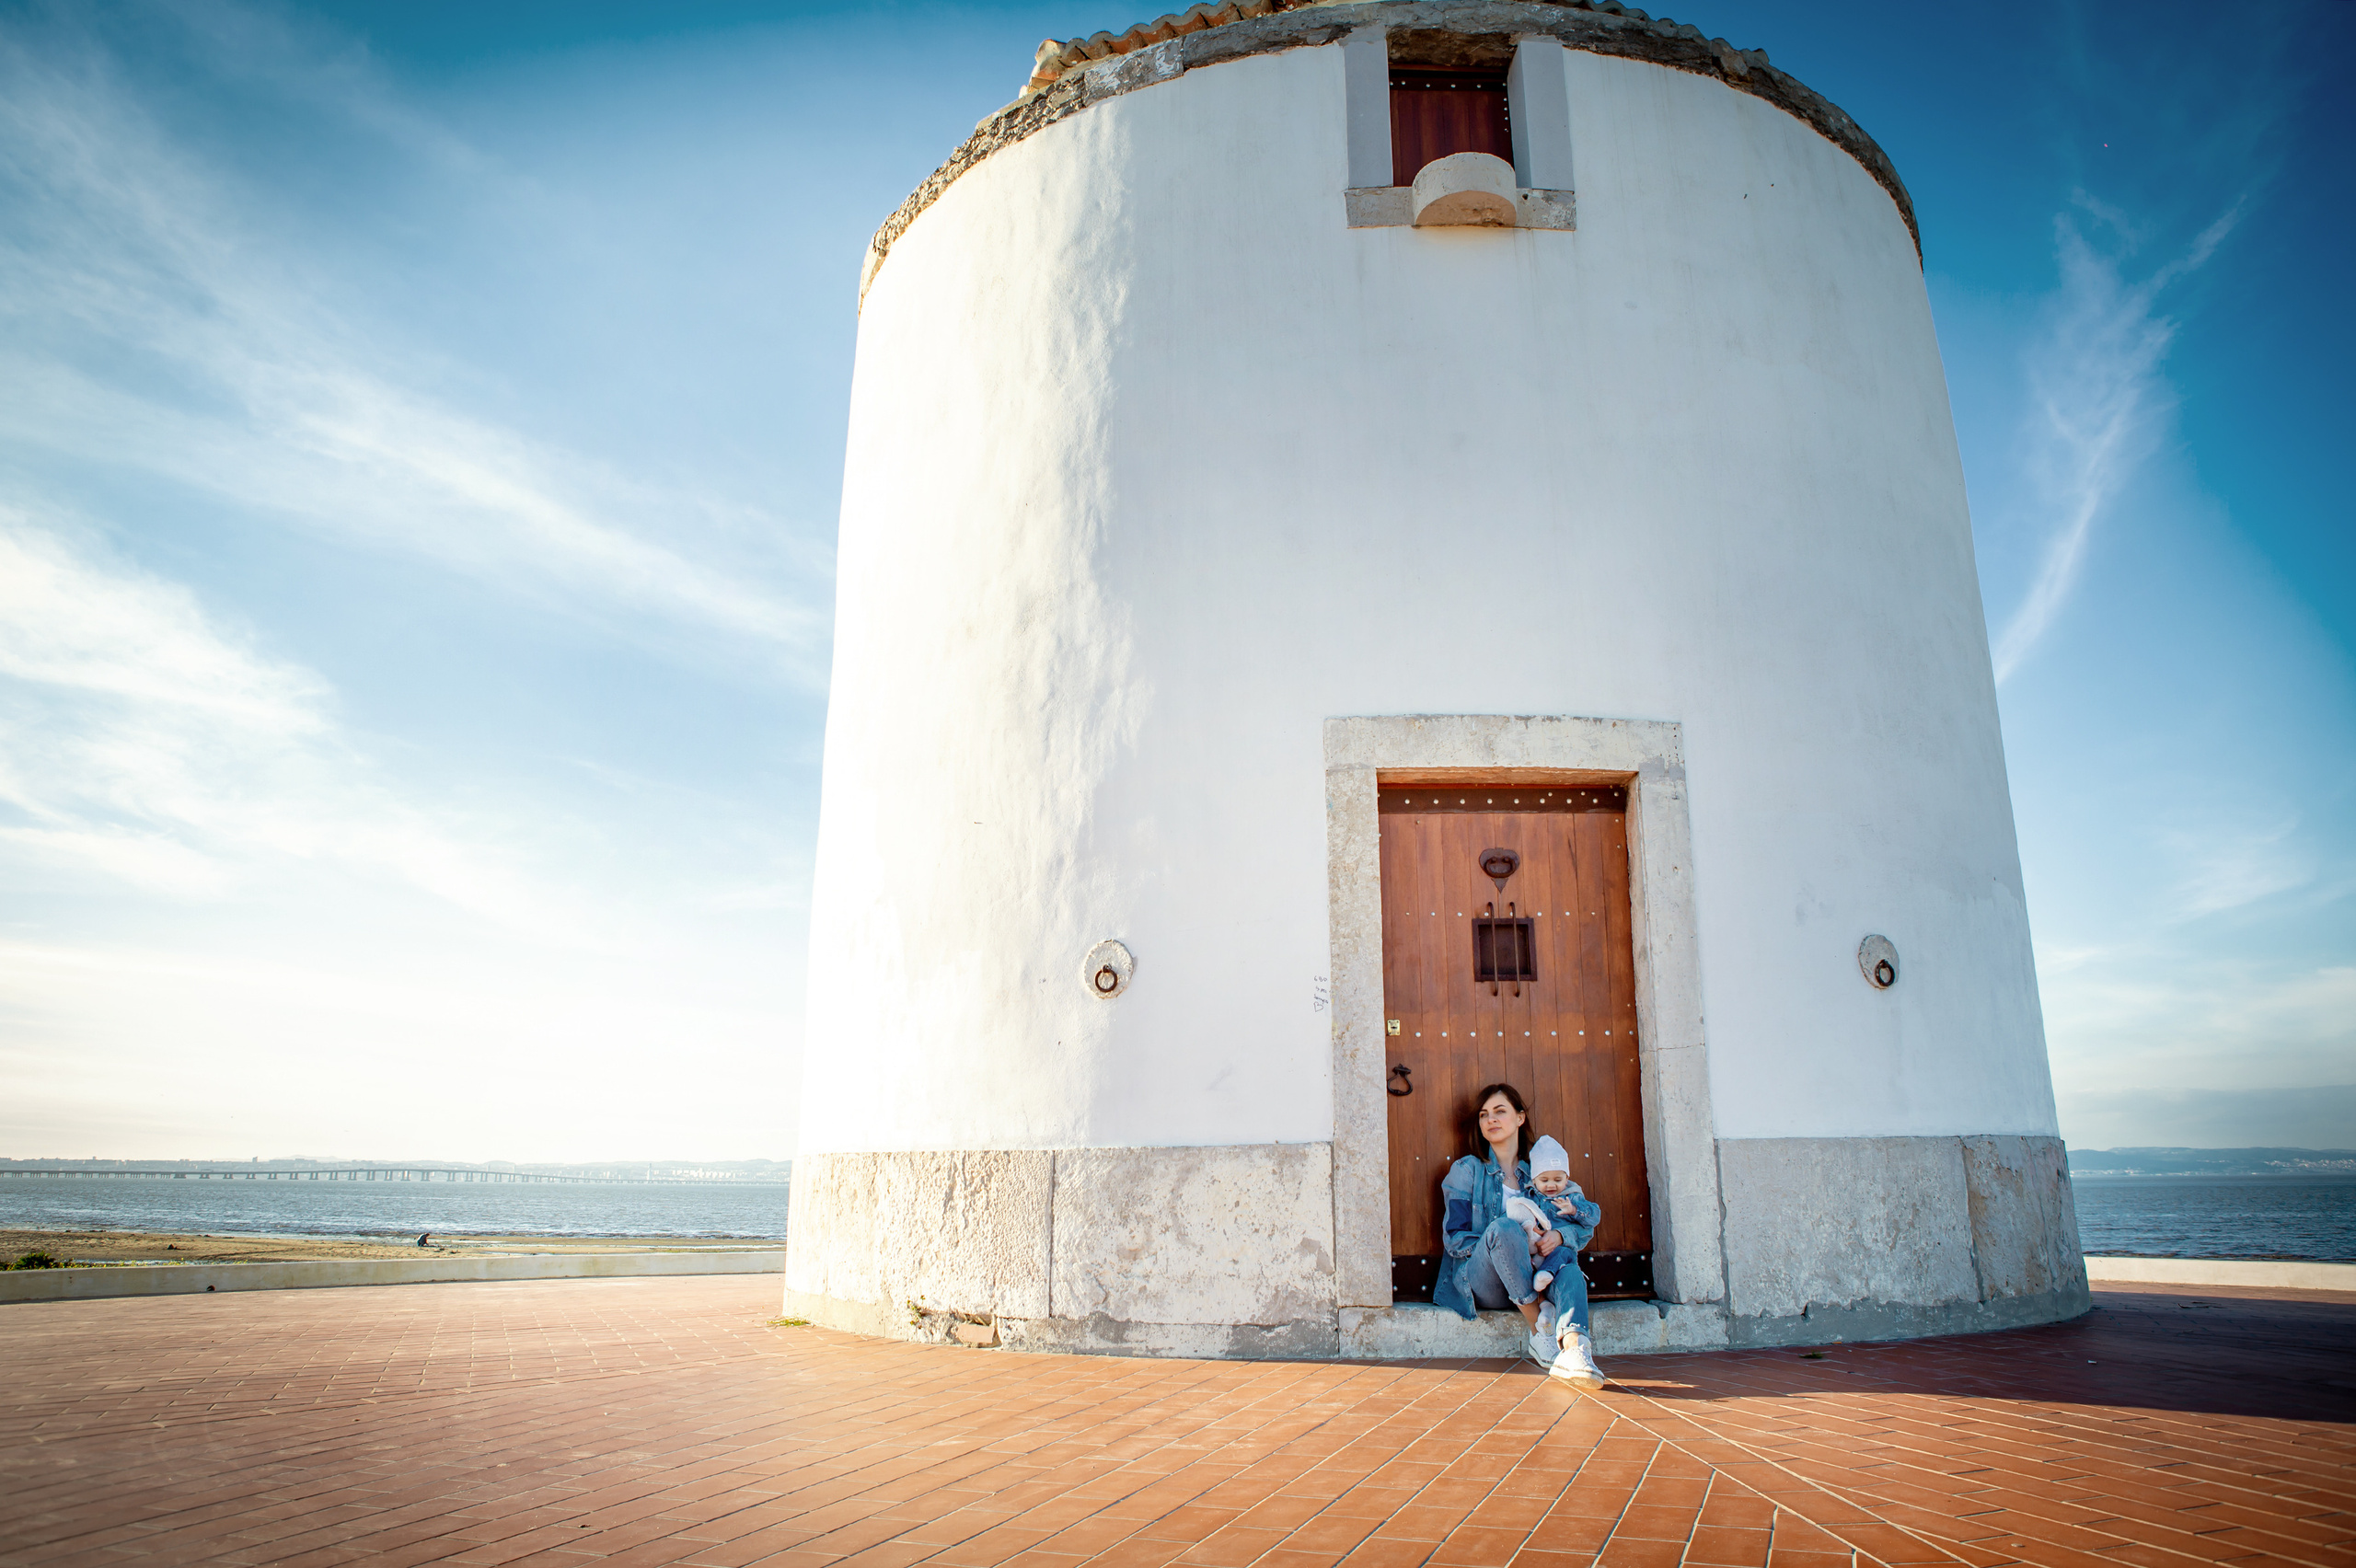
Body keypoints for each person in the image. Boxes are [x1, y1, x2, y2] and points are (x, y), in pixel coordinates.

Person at [1434, 1084, 1607, 1387]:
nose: (1491, 1119)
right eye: (1484, 1115)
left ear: (1520, 1118)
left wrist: (1560, 1237)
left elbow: (1581, 1219)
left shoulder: (1541, 1172)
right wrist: (1512, 1246)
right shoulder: (1466, 1171)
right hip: (1484, 1281)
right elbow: (1456, 1239)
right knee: (1505, 1227)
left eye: (1500, 1111)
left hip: (1536, 1272)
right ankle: (1539, 1333)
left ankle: (1577, 1350)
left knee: (1570, 1271)